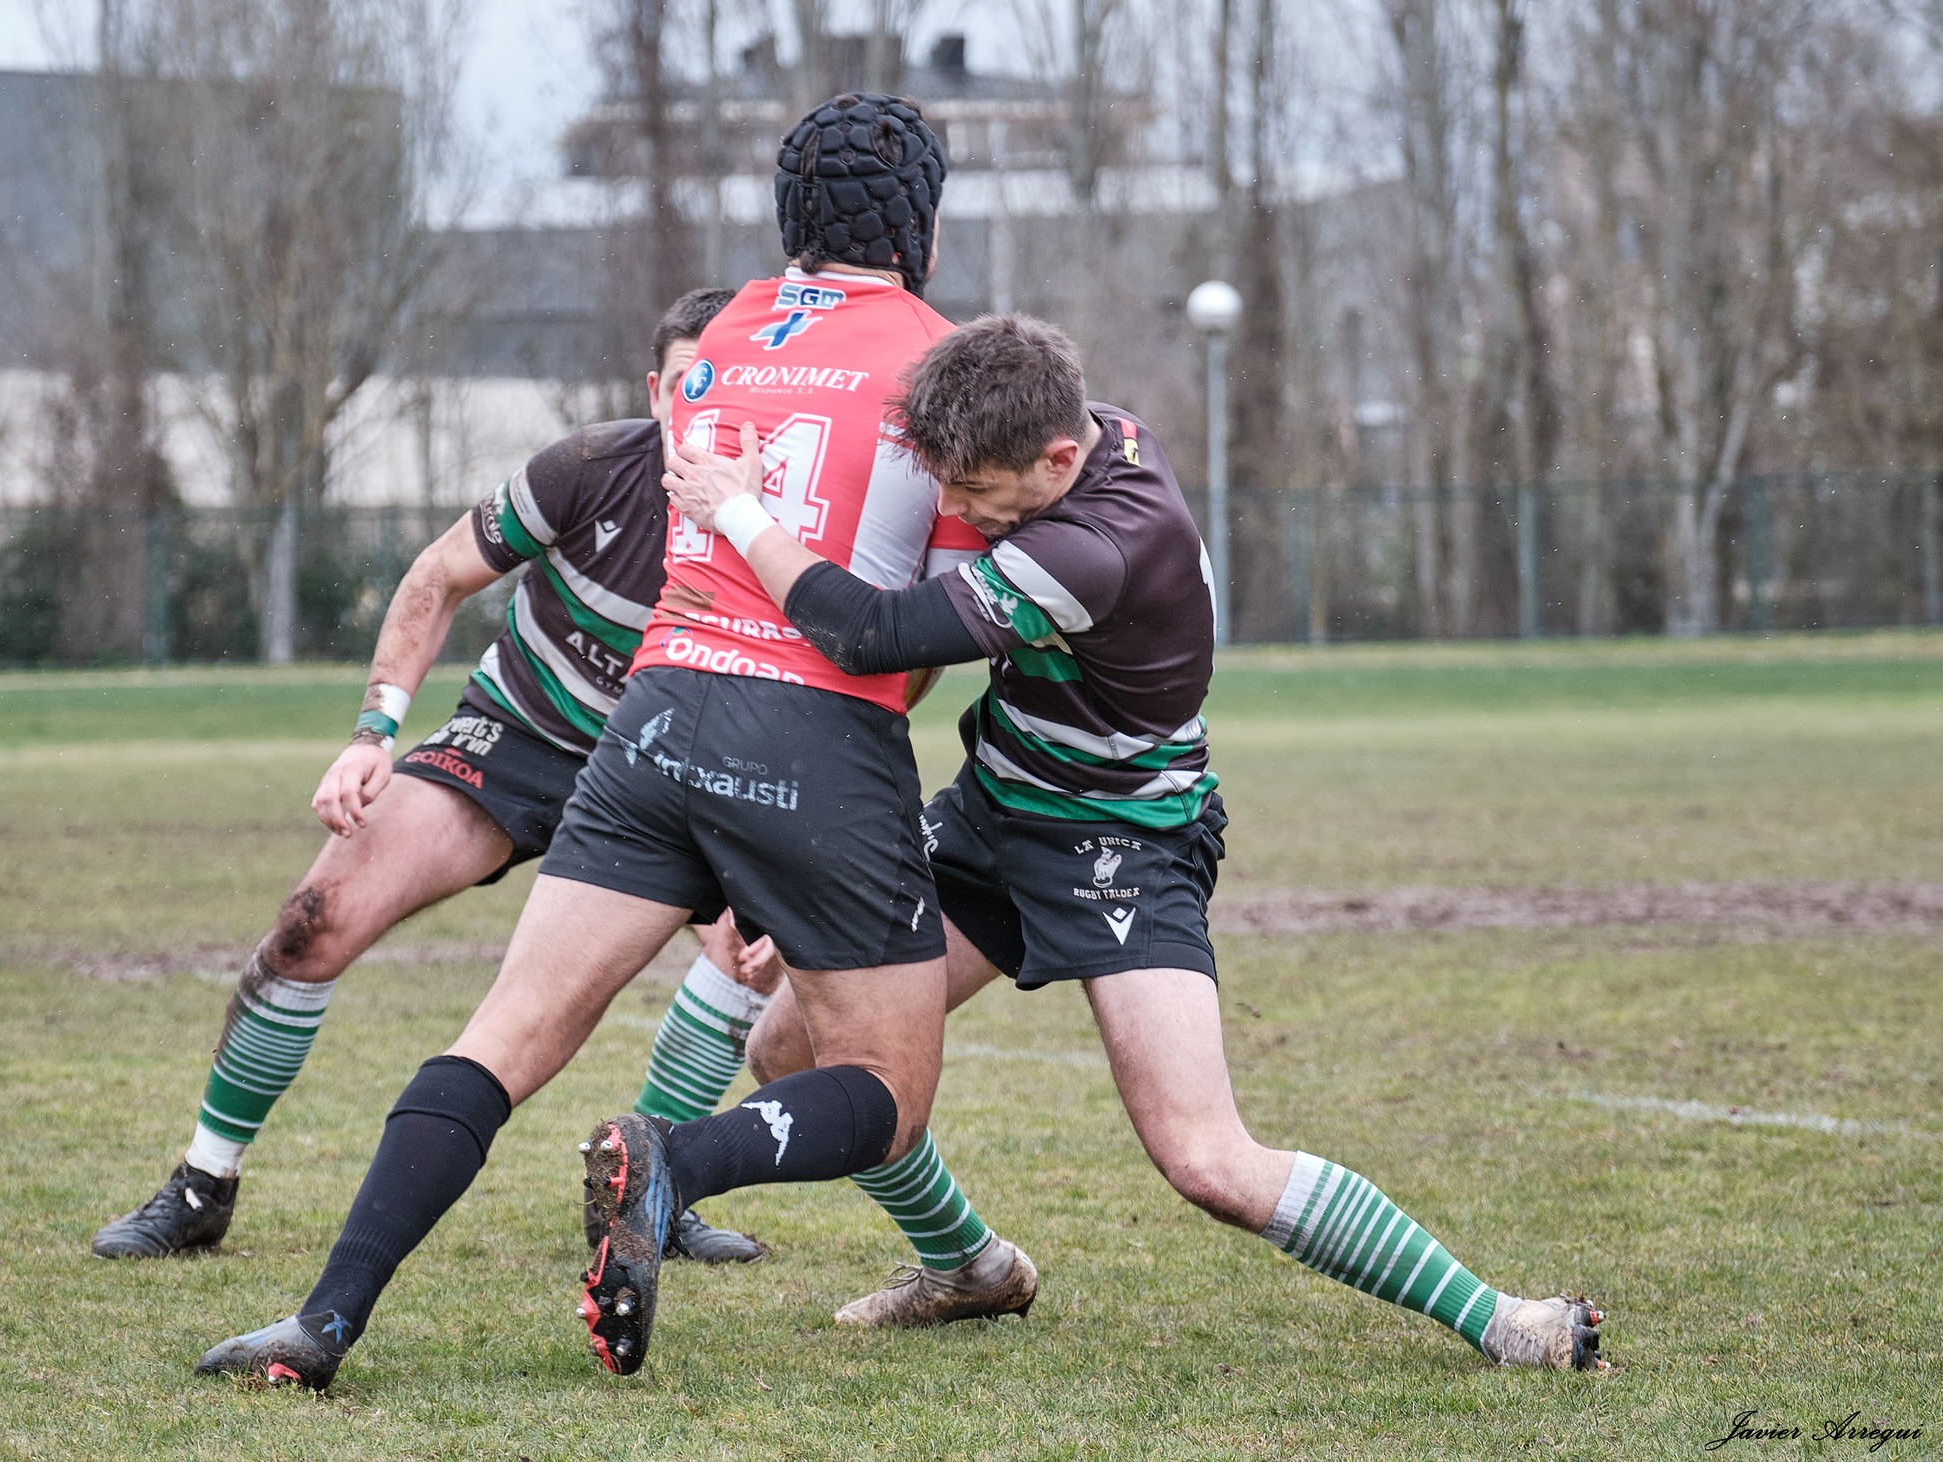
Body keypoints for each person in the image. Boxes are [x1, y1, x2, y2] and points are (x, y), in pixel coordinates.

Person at [195, 91, 1030, 1390]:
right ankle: (671, 1156)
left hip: (650, 722)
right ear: (921, 220)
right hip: (820, 732)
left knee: (506, 1034)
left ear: (785, 215)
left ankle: (322, 1319)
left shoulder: (723, 339)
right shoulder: (946, 361)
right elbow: (923, 623)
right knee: (885, 1091)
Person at [663, 312, 1608, 1370]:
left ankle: (1502, 1319)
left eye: (969, 489)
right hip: (993, 814)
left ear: (1058, 460)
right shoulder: (1073, 434)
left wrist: (738, 513)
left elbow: (873, 634)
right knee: (792, 1049)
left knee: (1205, 1160)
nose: (951, 510)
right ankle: (969, 1268)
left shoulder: (1092, 547)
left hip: (1120, 841)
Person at [92, 288, 771, 1267]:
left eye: (725, 388)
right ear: (655, 390)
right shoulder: (581, 470)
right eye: (684, 385)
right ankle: (202, 1183)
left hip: (670, 774)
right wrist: (372, 732)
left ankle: (647, 1197)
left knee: (749, 947)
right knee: (313, 916)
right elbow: (436, 575)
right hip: (521, 734)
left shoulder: (788, 522)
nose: (700, 409)